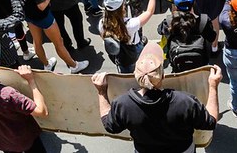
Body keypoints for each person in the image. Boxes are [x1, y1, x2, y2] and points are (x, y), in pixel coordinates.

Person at [93, 41, 221, 153]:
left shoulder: (123, 104)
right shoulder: (185, 102)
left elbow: (110, 126)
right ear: (163, 76)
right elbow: (211, 122)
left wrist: (101, 92)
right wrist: (213, 85)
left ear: (135, 76)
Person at [101, 0, 157, 73]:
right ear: (121, 9)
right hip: (133, 50)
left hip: (120, 55)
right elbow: (149, 12)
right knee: (138, 66)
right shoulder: (130, 25)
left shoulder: (102, 23)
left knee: (126, 72)